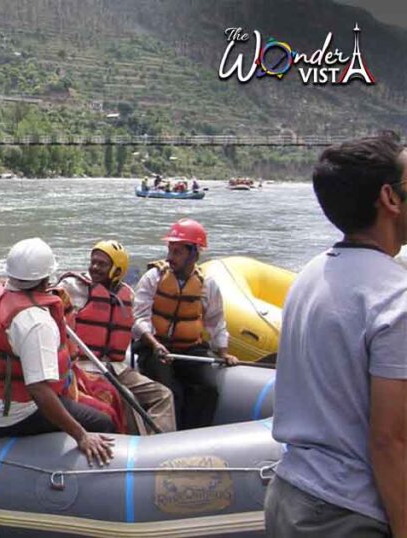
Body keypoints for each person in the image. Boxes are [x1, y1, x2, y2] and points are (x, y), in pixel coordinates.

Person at [265, 133, 406, 538]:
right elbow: (390, 441)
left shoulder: (312, 273)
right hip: (348, 514)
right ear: (389, 198)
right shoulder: (396, 298)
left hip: (288, 494)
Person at [0, 238, 115, 466]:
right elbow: (39, 391)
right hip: (10, 416)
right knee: (103, 421)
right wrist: (82, 435)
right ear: (46, 279)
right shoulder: (36, 322)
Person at [60, 241, 177, 434]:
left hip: (117, 367)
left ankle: (161, 441)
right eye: (93, 262)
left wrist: (155, 344)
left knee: (163, 395)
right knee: (127, 398)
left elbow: (135, 324)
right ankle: (141, 448)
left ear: (117, 269)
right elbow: (54, 300)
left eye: (102, 264)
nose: (94, 267)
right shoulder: (73, 286)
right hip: (86, 365)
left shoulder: (127, 294)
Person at [131, 218, 238, 430]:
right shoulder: (154, 277)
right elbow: (139, 318)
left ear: (194, 253)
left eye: (177, 252)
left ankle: (194, 436)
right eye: (170, 250)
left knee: (207, 391)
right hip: (155, 347)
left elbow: (216, 321)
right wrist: (154, 343)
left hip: (189, 349)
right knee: (171, 391)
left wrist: (224, 352)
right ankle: (169, 438)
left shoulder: (207, 285)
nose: (170, 257)